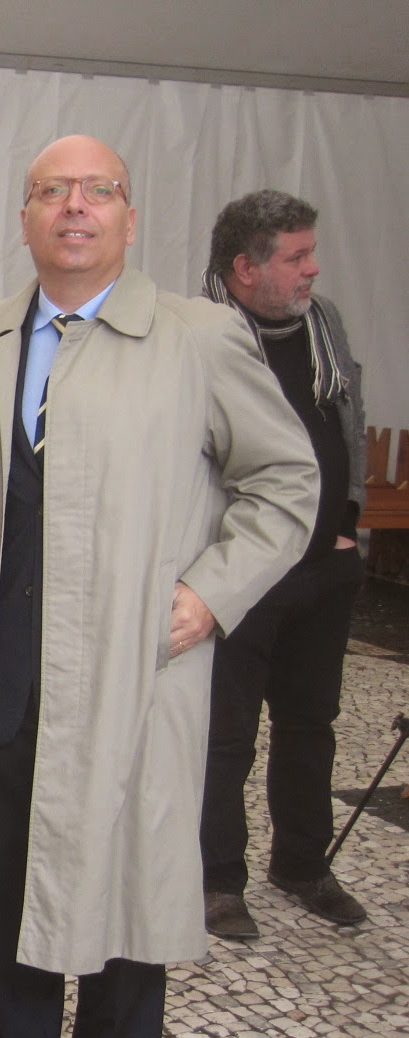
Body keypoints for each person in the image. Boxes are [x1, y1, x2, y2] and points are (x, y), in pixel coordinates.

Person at [0, 136, 319, 1038]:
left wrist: (212, 591)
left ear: (130, 219)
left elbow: (286, 482)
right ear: (24, 217)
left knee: (127, 889)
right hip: (4, 672)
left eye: (99, 191)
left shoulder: (199, 339)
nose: (75, 207)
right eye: (51, 190)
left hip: (132, 676)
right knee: (6, 876)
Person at [199, 190, 369, 941]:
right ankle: (216, 878)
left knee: (311, 723)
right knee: (226, 733)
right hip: (244, 572)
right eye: (296, 257)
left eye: (310, 253)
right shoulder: (201, 338)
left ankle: (302, 864)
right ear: (245, 268)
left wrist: (349, 522)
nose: (313, 269)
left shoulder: (323, 324)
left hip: (324, 567)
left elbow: (348, 421)